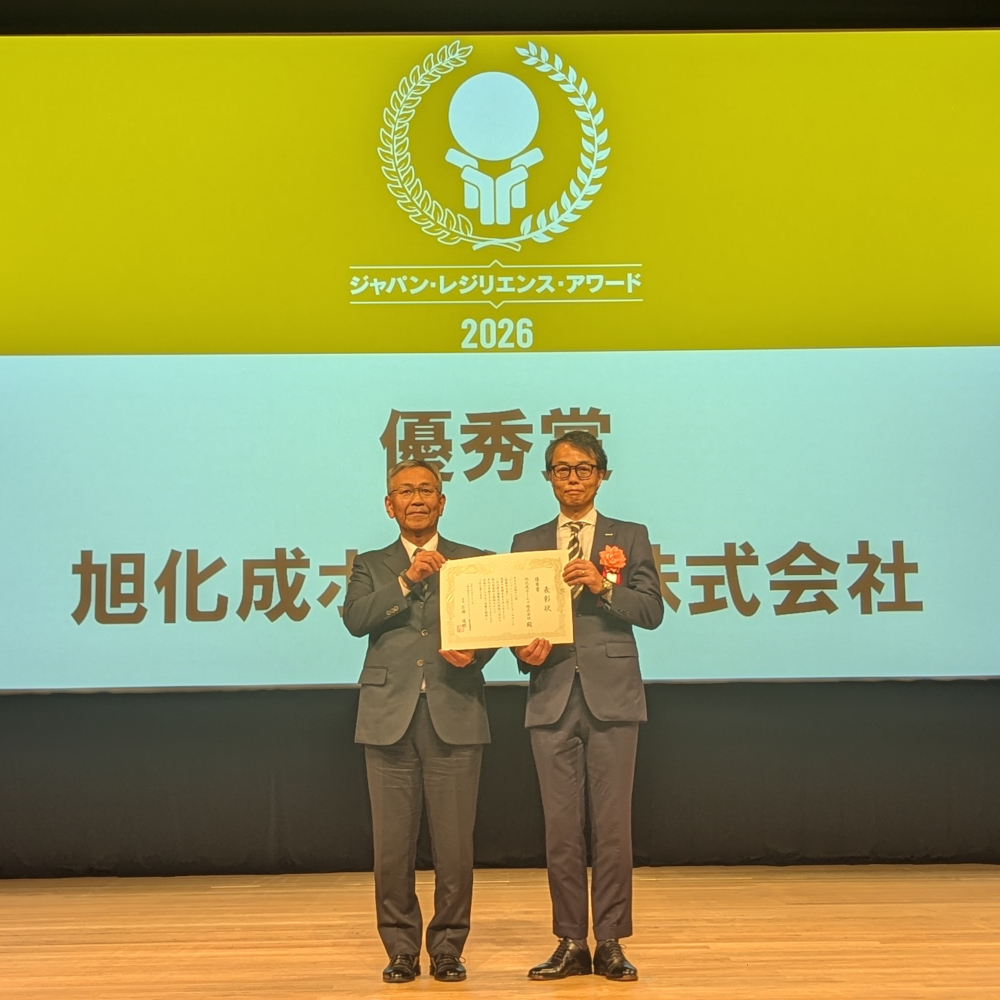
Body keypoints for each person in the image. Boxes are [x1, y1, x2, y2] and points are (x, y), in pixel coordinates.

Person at [511, 430, 664, 982]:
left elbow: (651, 611)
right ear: (547, 478)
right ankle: (571, 941)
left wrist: (603, 585)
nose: (572, 478)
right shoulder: (527, 541)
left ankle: (612, 942)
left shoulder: (630, 535)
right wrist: (522, 653)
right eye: (561, 469)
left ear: (602, 475)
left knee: (613, 828)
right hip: (550, 695)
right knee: (561, 830)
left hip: (613, 697)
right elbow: (517, 619)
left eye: (582, 468)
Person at [343, 459, 495, 984]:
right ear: (390, 506)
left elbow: (494, 627)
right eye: (405, 491)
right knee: (392, 846)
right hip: (388, 716)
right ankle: (401, 948)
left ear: (442, 502)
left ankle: (448, 947)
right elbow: (355, 619)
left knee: (455, 846)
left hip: (455, 711)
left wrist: (475, 654)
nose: (417, 499)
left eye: (426, 490)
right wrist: (407, 580)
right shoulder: (371, 564)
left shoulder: (473, 561)